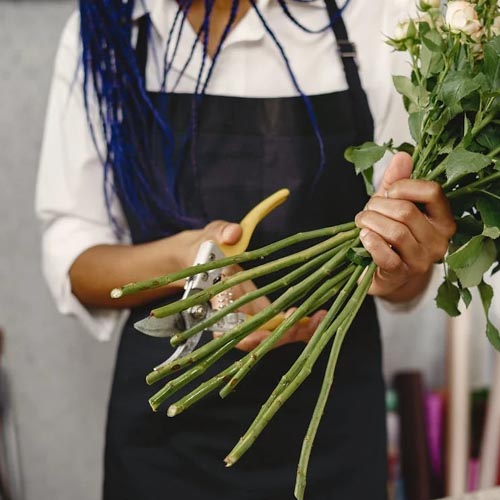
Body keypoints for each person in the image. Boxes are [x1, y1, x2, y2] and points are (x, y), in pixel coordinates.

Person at [36, 1, 456, 499]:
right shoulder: (111, 33)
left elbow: (405, 278)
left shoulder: (379, 19)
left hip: (330, 434)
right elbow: (75, 259)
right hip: (165, 444)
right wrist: (197, 262)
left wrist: (398, 262)